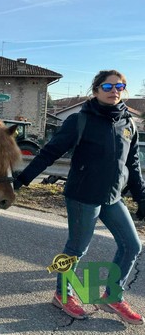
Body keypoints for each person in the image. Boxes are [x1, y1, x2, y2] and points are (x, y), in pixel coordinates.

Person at [14, 70, 144, 325]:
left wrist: (141, 197)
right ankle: (62, 294)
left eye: (120, 86)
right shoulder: (79, 120)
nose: (114, 90)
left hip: (112, 197)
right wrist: (23, 178)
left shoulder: (128, 124)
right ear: (95, 90)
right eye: (107, 85)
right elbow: (49, 152)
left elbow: (134, 164)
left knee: (132, 245)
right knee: (76, 249)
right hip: (83, 196)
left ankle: (112, 296)